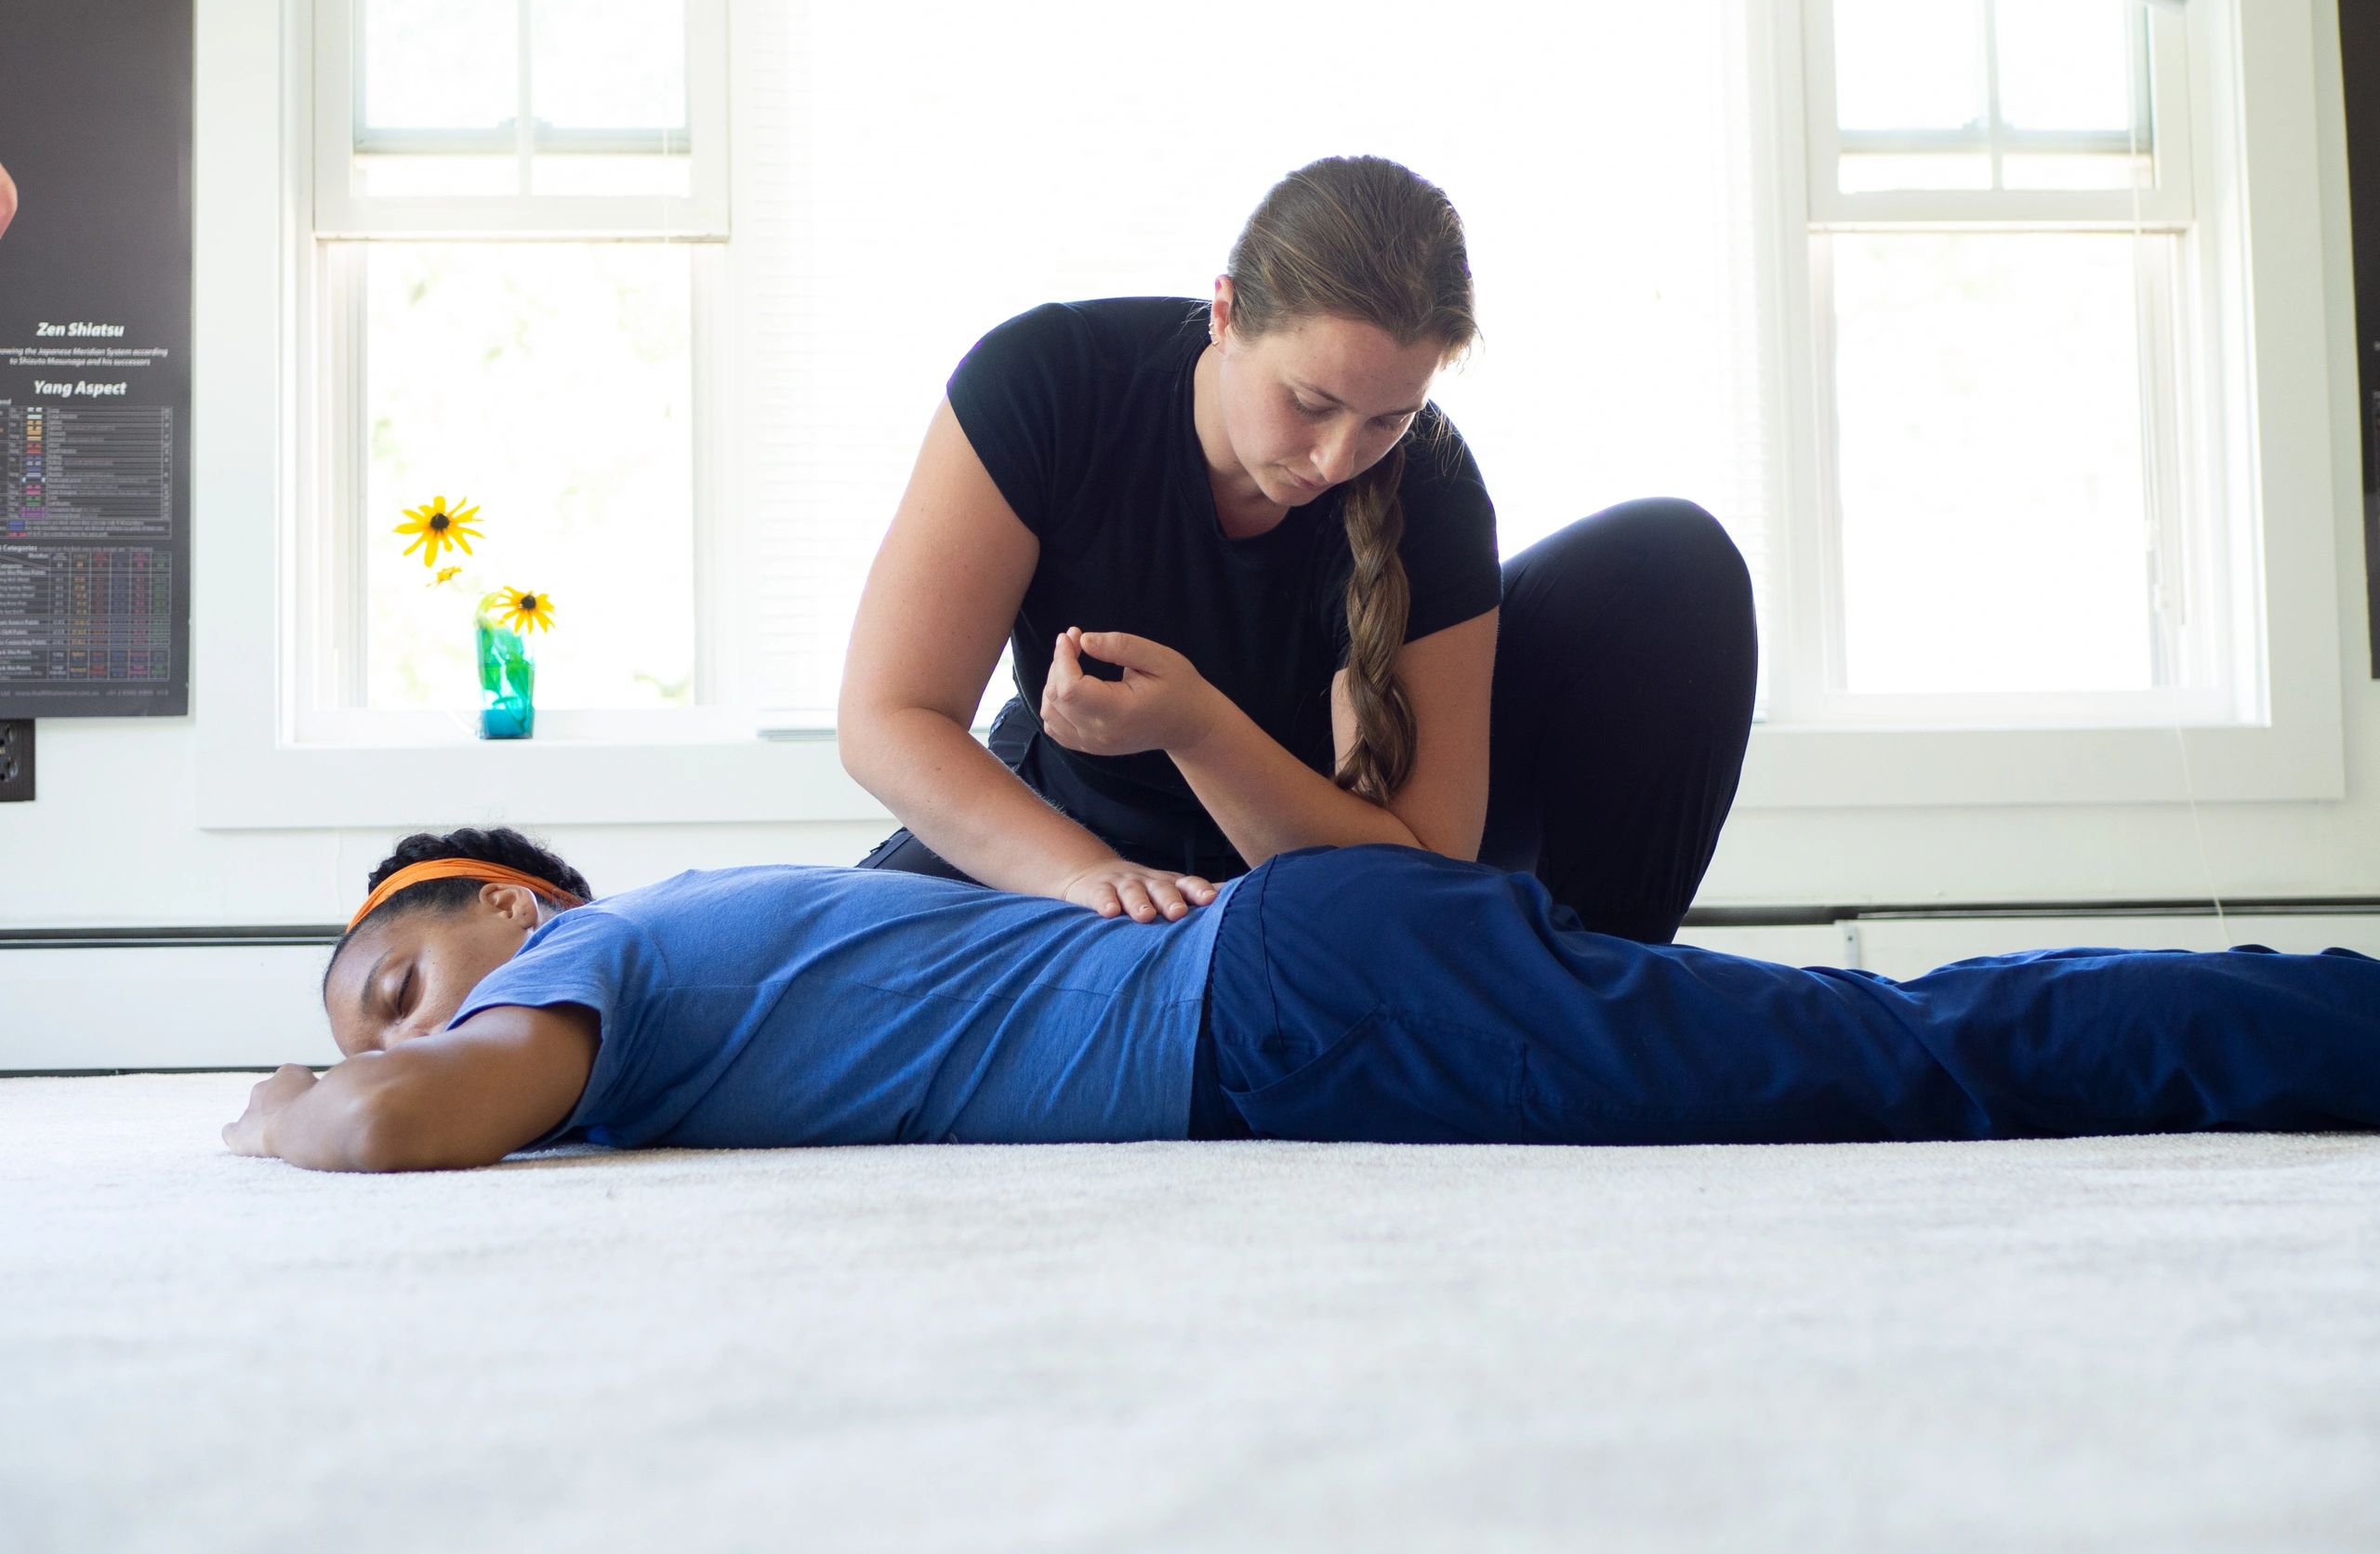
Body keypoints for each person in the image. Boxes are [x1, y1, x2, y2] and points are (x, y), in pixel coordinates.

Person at [224, 827, 2380, 1173]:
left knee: (1904, 1071)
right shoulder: (675, 948)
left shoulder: (598, 959)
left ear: (513, 899)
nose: (394, 1033)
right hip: (1304, 975)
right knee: (1889, 1038)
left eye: (396, 977)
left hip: (1285, 999)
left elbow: (409, 1122)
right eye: (363, 1023)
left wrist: (286, 1112)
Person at [838, 155, 1757, 945]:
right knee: (789, 982)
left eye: (1389, 419)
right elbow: (888, 720)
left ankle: (1596, 1006)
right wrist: (1087, 875)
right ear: (1226, 314)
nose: (1336, 459)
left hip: (1315, 865)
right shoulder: (1049, 381)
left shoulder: (1428, 487)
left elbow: (1419, 870)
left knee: (1670, 561)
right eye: (1310, 404)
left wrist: (1197, 729)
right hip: (1061, 828)